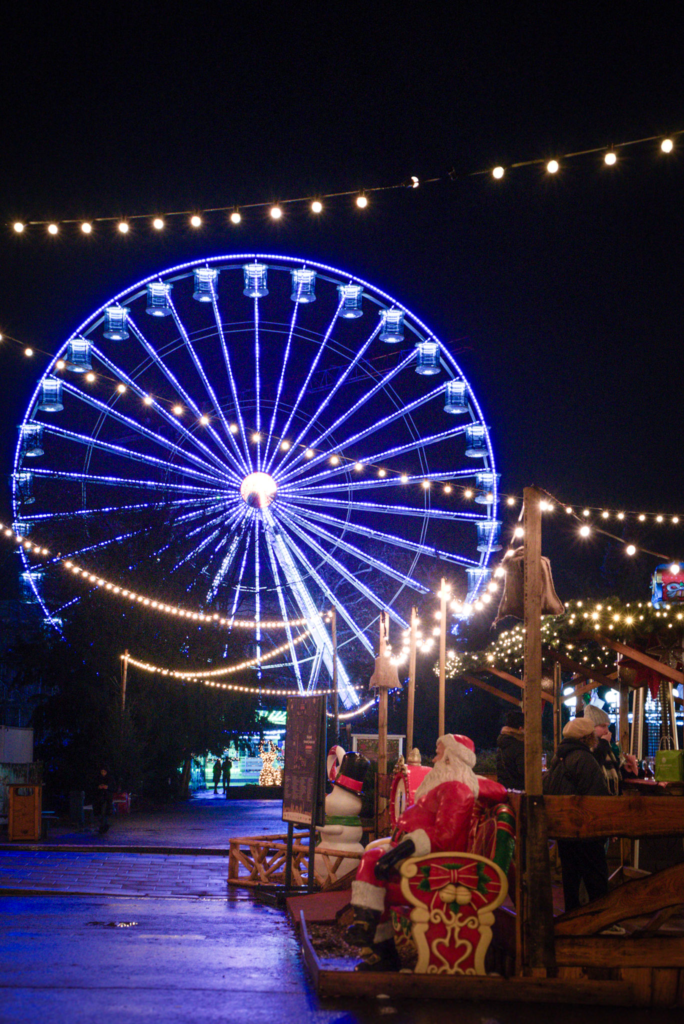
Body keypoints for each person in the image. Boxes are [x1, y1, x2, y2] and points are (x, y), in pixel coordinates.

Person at [346, 733, 508, 971]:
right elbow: (493, 789)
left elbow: (445, 836)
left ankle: (373, 937)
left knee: (374, 864)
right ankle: (371, 934)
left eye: (439, 753)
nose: (434, 760)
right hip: (428, 862)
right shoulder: (448, 786)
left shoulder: (456, 789)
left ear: (452, 758)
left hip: (436, 869)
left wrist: (403, 849)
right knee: (373, 861)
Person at [543, 717, 614, 917]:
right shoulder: (584, 759)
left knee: (571, 876)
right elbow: (596, 797)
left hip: (564, 828)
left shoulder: (559, 758)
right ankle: (599, 920)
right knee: (596, 876)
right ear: (587, 737)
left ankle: (572, 919)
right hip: (585, 828)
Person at [582, 704, 638, 795]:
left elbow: (614, 774)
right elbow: (594, 766)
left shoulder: (606, 746)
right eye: (603, 726)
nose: (607, 731)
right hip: (596, 800)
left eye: (607, 726)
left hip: (611, 799)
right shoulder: (586, 747)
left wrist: (625, 770)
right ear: (591, 727)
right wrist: (604, 743)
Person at [496, 710, 525, 790]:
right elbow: (525, 772)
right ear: (520, 728)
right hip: (519, 791)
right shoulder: (518, 746)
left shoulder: (503, 742)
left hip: (505, 789)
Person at [92, 766, 114, 835]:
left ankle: (103, 827)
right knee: (99, 813)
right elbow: (93, 786)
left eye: (104, 772)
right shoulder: (97, 778)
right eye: (102, 772)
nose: (103, 773)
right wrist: (98, 787)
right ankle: (104, 825)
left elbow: (114, 787)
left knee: (105, 813)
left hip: (106, 798)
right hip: (98, 798)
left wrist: (107, 787)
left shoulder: (110, 779)